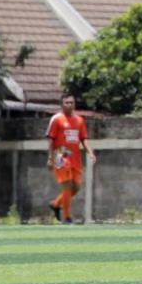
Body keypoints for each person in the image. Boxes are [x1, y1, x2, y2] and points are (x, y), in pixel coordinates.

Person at [47, 93, 96, 224]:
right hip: (61, 154)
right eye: (67, 102)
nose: (69, 105)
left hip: (75, 157)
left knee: (76, 188)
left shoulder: (79, 120)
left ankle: (56, 204)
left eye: (72, 102)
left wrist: (90, 152)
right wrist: (50, 159)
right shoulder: (57, 119)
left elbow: (83, 138)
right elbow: (51, 140)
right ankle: (67, 217)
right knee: (67, 185)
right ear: (62, 104)